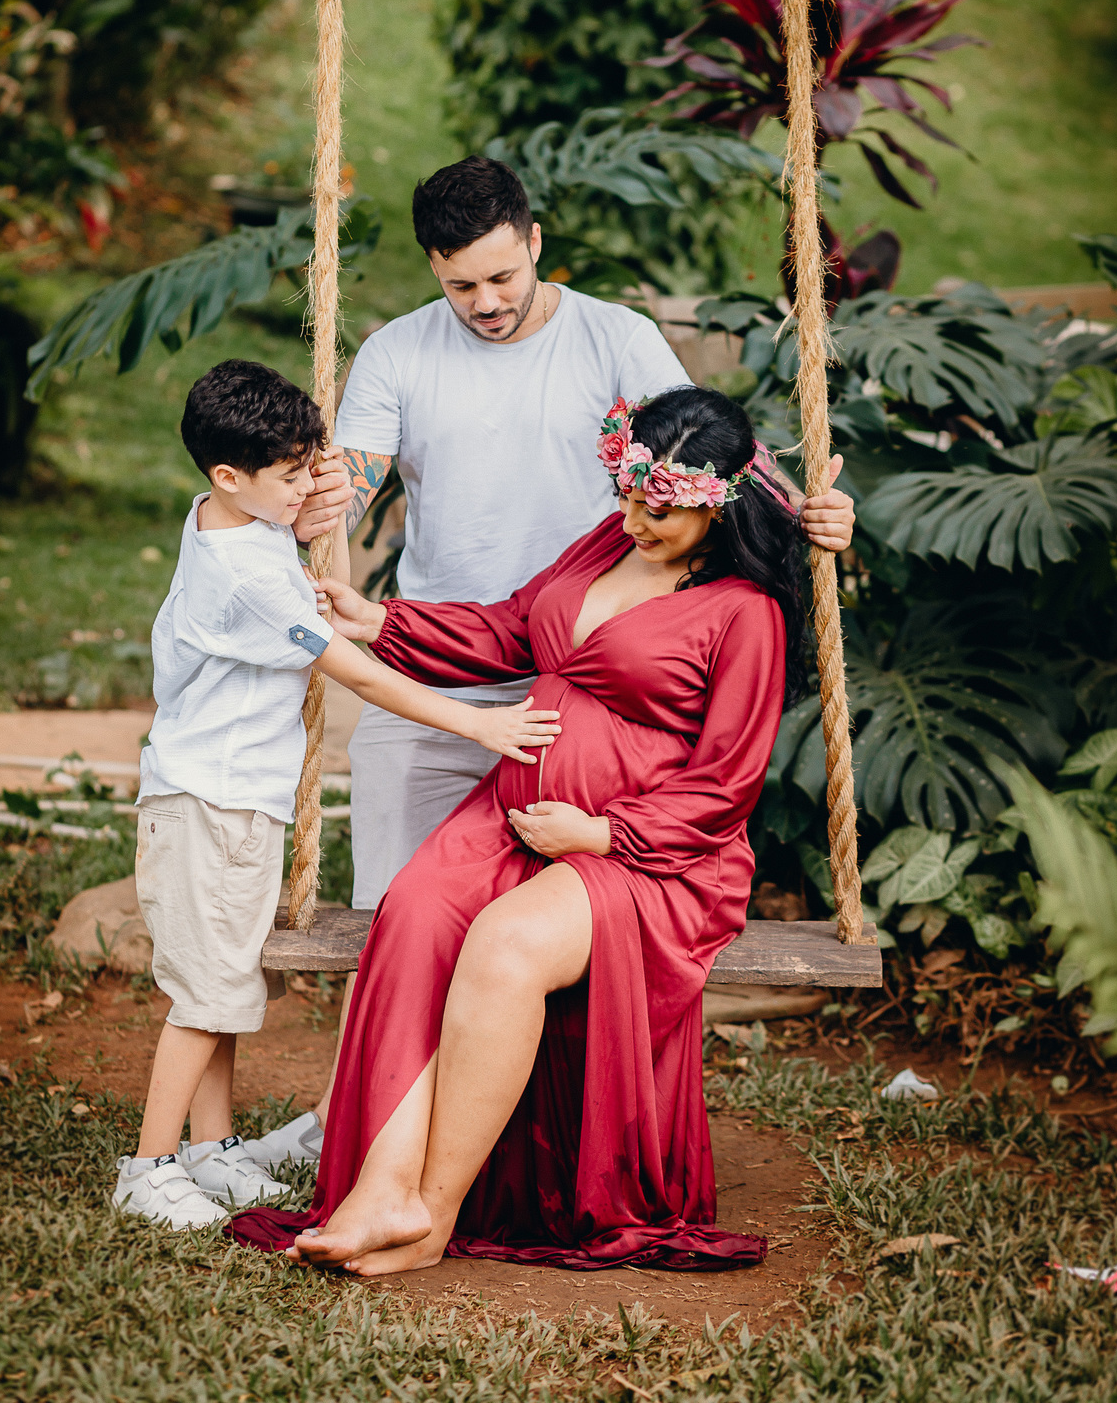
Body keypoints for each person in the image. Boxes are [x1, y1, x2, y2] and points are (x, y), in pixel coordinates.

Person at [244, 156, 856, 1174]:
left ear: (535, 243)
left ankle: (504, 1144)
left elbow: (700, 450)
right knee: (402, 918)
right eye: (460, 285)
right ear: (433, 269)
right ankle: (353, 1125)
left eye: (501, 276)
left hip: (593, 690)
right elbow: (357, 478)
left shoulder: (616, 338)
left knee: (532, 938)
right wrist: (328, 512)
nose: (484, 302)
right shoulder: (398, 354)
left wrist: (804, 514)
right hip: (438, 669)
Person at [230, 386, 814, 1271]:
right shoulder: (609, 542)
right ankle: (382, 1185)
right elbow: (512, 631)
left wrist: (601, 834)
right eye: (627, 496)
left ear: (717, 505)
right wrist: (381, 621)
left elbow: (725, 785)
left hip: (656, 855)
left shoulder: (745, 612)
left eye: (660, 510)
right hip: (514, 816)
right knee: (414, 914)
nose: (635, 521)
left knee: (505, 946)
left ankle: (428, 1216)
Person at [111, 359, 560, 1230]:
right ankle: (150, 1166)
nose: (307, 490)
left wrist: (310, 509)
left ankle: (210, 1148)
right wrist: (480, 726)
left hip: (231, 800)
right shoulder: (248, 576)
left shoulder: (223, 517)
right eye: (292, 477)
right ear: (228, 475)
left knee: (227, 980)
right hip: (209, 804)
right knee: (205, 997)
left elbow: (316, 582)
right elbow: (358, 672)